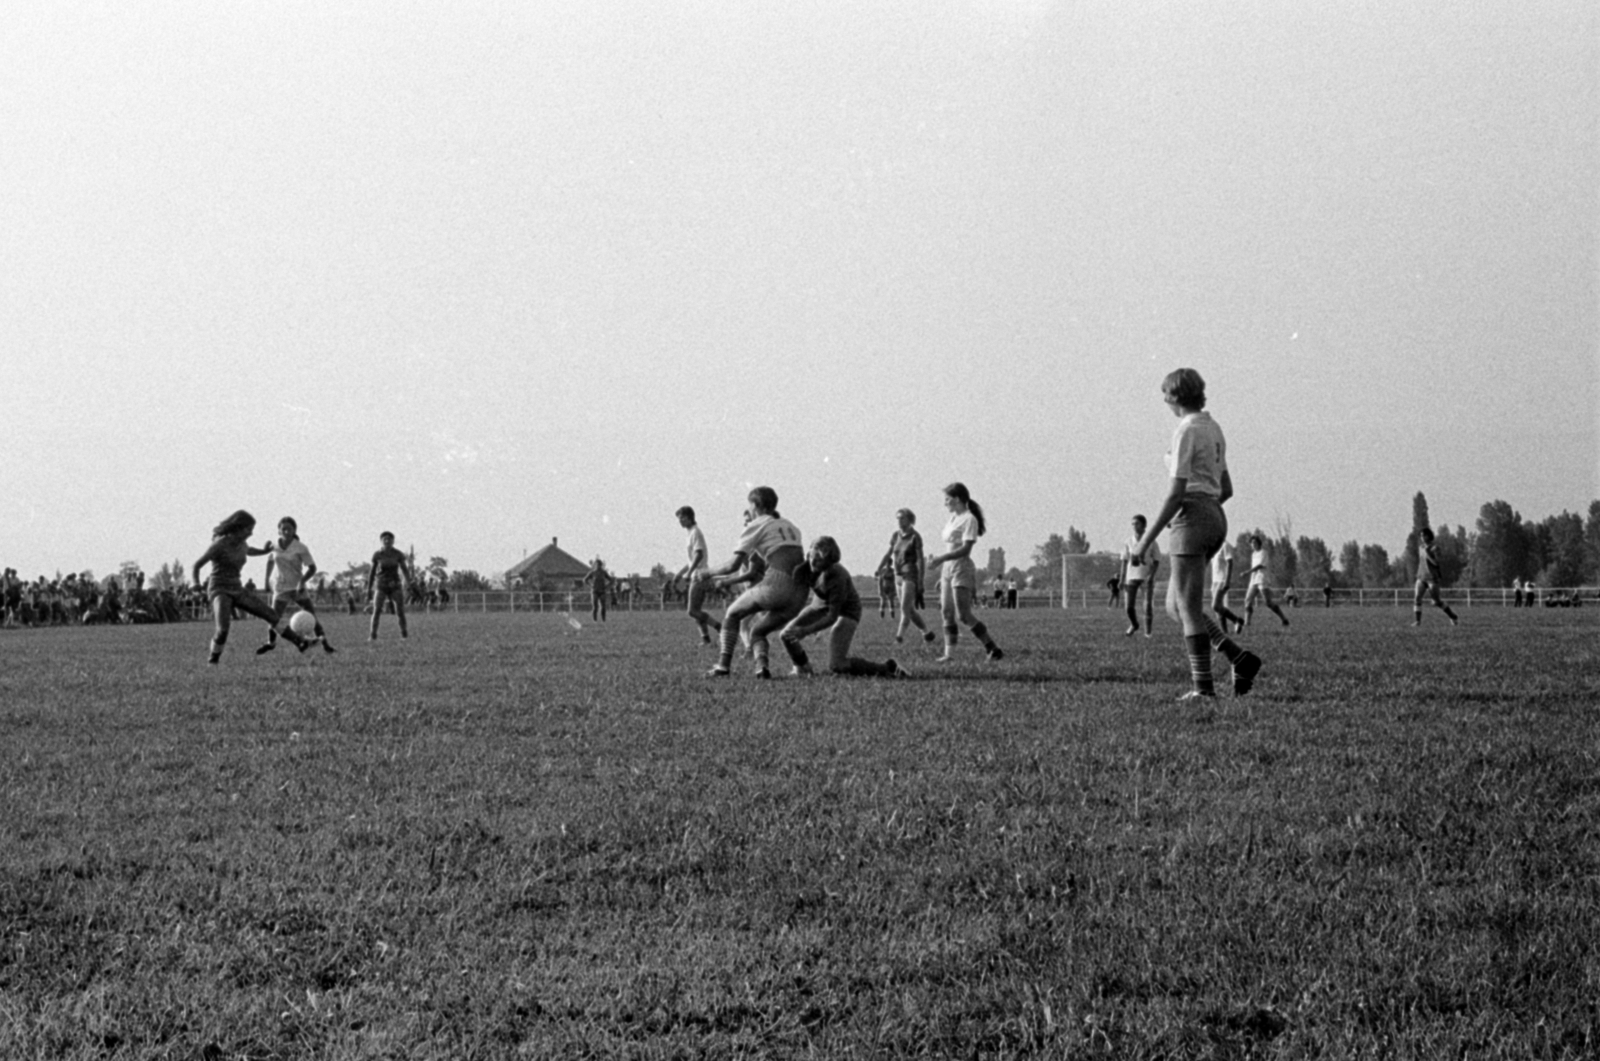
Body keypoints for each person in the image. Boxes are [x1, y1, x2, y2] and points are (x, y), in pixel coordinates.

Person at [1129, 368, 1262, 702]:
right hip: (1215, 515)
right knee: (1175, 606)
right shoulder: (1213, 428)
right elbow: (1226, 488)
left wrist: (1145, 542)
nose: (1163, 401)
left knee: (1187, 610)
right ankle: (1238, 657)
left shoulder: (1185, 430)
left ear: (1176, 396)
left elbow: (1176, 493)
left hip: (1192, 517)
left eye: (1165, 395)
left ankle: (1203, 689)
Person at [701, 486, 810, 679]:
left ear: (755, 505)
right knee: (757, 631)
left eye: (749, 505)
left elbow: (733, 565)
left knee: (732, 614)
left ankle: (723, 667)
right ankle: (763, 668)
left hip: (777, 584)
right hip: (800, 592)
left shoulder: (757, 525)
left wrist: (706, 573)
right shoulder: (790, 526)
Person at [192, 510, 312, 664]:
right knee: (222, 630)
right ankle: (213, 659)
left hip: (238, 588)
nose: (251, 533)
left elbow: (249, 551)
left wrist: (265, 551)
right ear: (239, 528)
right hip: (219, 589)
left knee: (271, 615)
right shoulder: (220, 544)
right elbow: (197, 565)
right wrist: (195, 583)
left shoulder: (242, 543)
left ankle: (300, 643)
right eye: (249, 529)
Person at [780, 536, 903, 678]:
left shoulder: (837, 577)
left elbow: (832, 617)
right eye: (813, 557)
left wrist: (806, 630)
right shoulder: (803, 566)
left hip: (848, 610)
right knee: (786, 635)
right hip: (819, 603)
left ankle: (887, 667)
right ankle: (802, 668)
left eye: (821, 562)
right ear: (809, 552)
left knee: (837, 665)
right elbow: (796, 592)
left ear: (829, 563)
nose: (814, 563)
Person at [925, 482, 1004, 663]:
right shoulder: (953, 518)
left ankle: (992, 648)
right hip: (948, 570)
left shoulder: (969, 519)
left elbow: (965, 550)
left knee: (963, 615)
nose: (944, 503)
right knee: (946, 612)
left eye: (947, 499)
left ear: (957, 499)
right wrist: (943, 571)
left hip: (961, 568)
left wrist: (940, 559)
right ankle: (949, 655)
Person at [257, 517, 336, 655]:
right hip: (280, 587)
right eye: (284, 529)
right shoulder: (274, 545)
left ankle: (326, 645)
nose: (287, 531)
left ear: (295, 530)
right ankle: (271, 643)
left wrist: (302, 582)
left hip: (297, 587)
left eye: (290, 529)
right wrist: (266, 581)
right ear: (279, 530)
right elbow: (269, 561)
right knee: (273, 618)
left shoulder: (301, 547)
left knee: (312, 617)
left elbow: (312, 568)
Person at [878, 508, 936, 646]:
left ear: (910, 520)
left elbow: (920, 560)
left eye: (902, 518)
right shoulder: (895, 536)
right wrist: (879, 568)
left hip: (910, 573)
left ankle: (899, 638)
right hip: (897, 575)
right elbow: (888, 553)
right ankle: (926, 633)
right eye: (897, 518)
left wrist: (920, 581)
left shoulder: (915, 536)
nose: (899, 521)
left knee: (904, 607)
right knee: (909, 609)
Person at [674, 506, 722, 644]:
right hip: (696, 573)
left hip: (699, 575)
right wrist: (680, 573)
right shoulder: (690, 533)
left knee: (692, 611)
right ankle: (705, 639)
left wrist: (689, 573)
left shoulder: (695, 532)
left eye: (682, 518)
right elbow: (691, 559)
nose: (680, 521)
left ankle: (720, 627)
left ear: (689, 517)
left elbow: (699, 554)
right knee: (696, 610)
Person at [1119, 514, 1161, 637]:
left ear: (1144, 525)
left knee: (1148, 606)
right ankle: (1134, 624)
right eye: (1132, 524)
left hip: (1146, 578)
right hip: (1131, 577)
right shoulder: (1128, 541)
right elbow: (1124, 560)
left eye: (1137, 523)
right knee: (1128, 607)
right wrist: (1122, 579)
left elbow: (1157, 560)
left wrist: (1151, 576)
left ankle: (1148, 633)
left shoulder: (1151, 541)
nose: (1134, 526)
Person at [367, 531, 413, 640]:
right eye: (385, 539)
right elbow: (372, 572)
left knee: (400, 611)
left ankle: (404, 635)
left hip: (395, 585)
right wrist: (369, 588)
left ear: (393, 541)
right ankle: (373, 635)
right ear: (381, 541)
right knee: (377, 610)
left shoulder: (398, 554)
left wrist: (409, 583)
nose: (387, 541)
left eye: (389, 539)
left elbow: (404, 569)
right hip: (381, 585)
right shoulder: (377, 554)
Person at [1412, 526, 1460, 627]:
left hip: (1432, 578)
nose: (1422, 537)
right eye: (1421, 536)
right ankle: (1417, 621)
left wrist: (1428, 555)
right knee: (1417, 598)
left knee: (1437, 601)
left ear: (1429, 536)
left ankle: (1452, 616)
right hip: (1421, 577)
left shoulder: (1435, 548)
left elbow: (1437, 563)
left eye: (1424, 535)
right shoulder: (1420, 548)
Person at [1243, 535, 1291, 627]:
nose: (1253, 545)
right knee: (1248, 600)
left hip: (1262, 579)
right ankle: (1247, 623)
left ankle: (1284, 619)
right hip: (1253, 580)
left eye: (1254, 543)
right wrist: (1250, 574)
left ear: (1258, 543)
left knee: (1268, 603)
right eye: (1251, 543)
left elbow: (1260, 565)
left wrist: (1247, 572)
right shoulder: (1253, 554)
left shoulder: (1263, 552)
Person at [1210, 538, 1246, 633]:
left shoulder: (1225, 545)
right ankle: (1224, 632)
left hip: (1222, 579)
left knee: (1215, 606)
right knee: (1218, 609)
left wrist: (1227, 580)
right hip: (1215, 580)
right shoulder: (1214, 547)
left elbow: (1230, 563)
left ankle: (1236, 620)